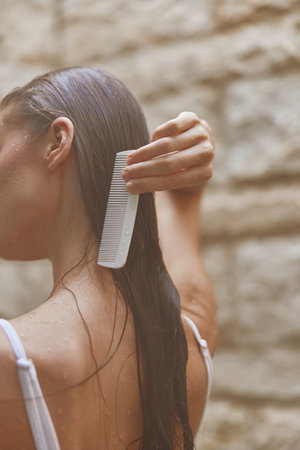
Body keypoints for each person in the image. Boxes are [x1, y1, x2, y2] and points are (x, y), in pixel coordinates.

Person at [0, 67, 217, 449]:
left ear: (57, 142)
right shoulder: (188, 348)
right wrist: (185, 188)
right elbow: (184, 254)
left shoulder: (10, 362)